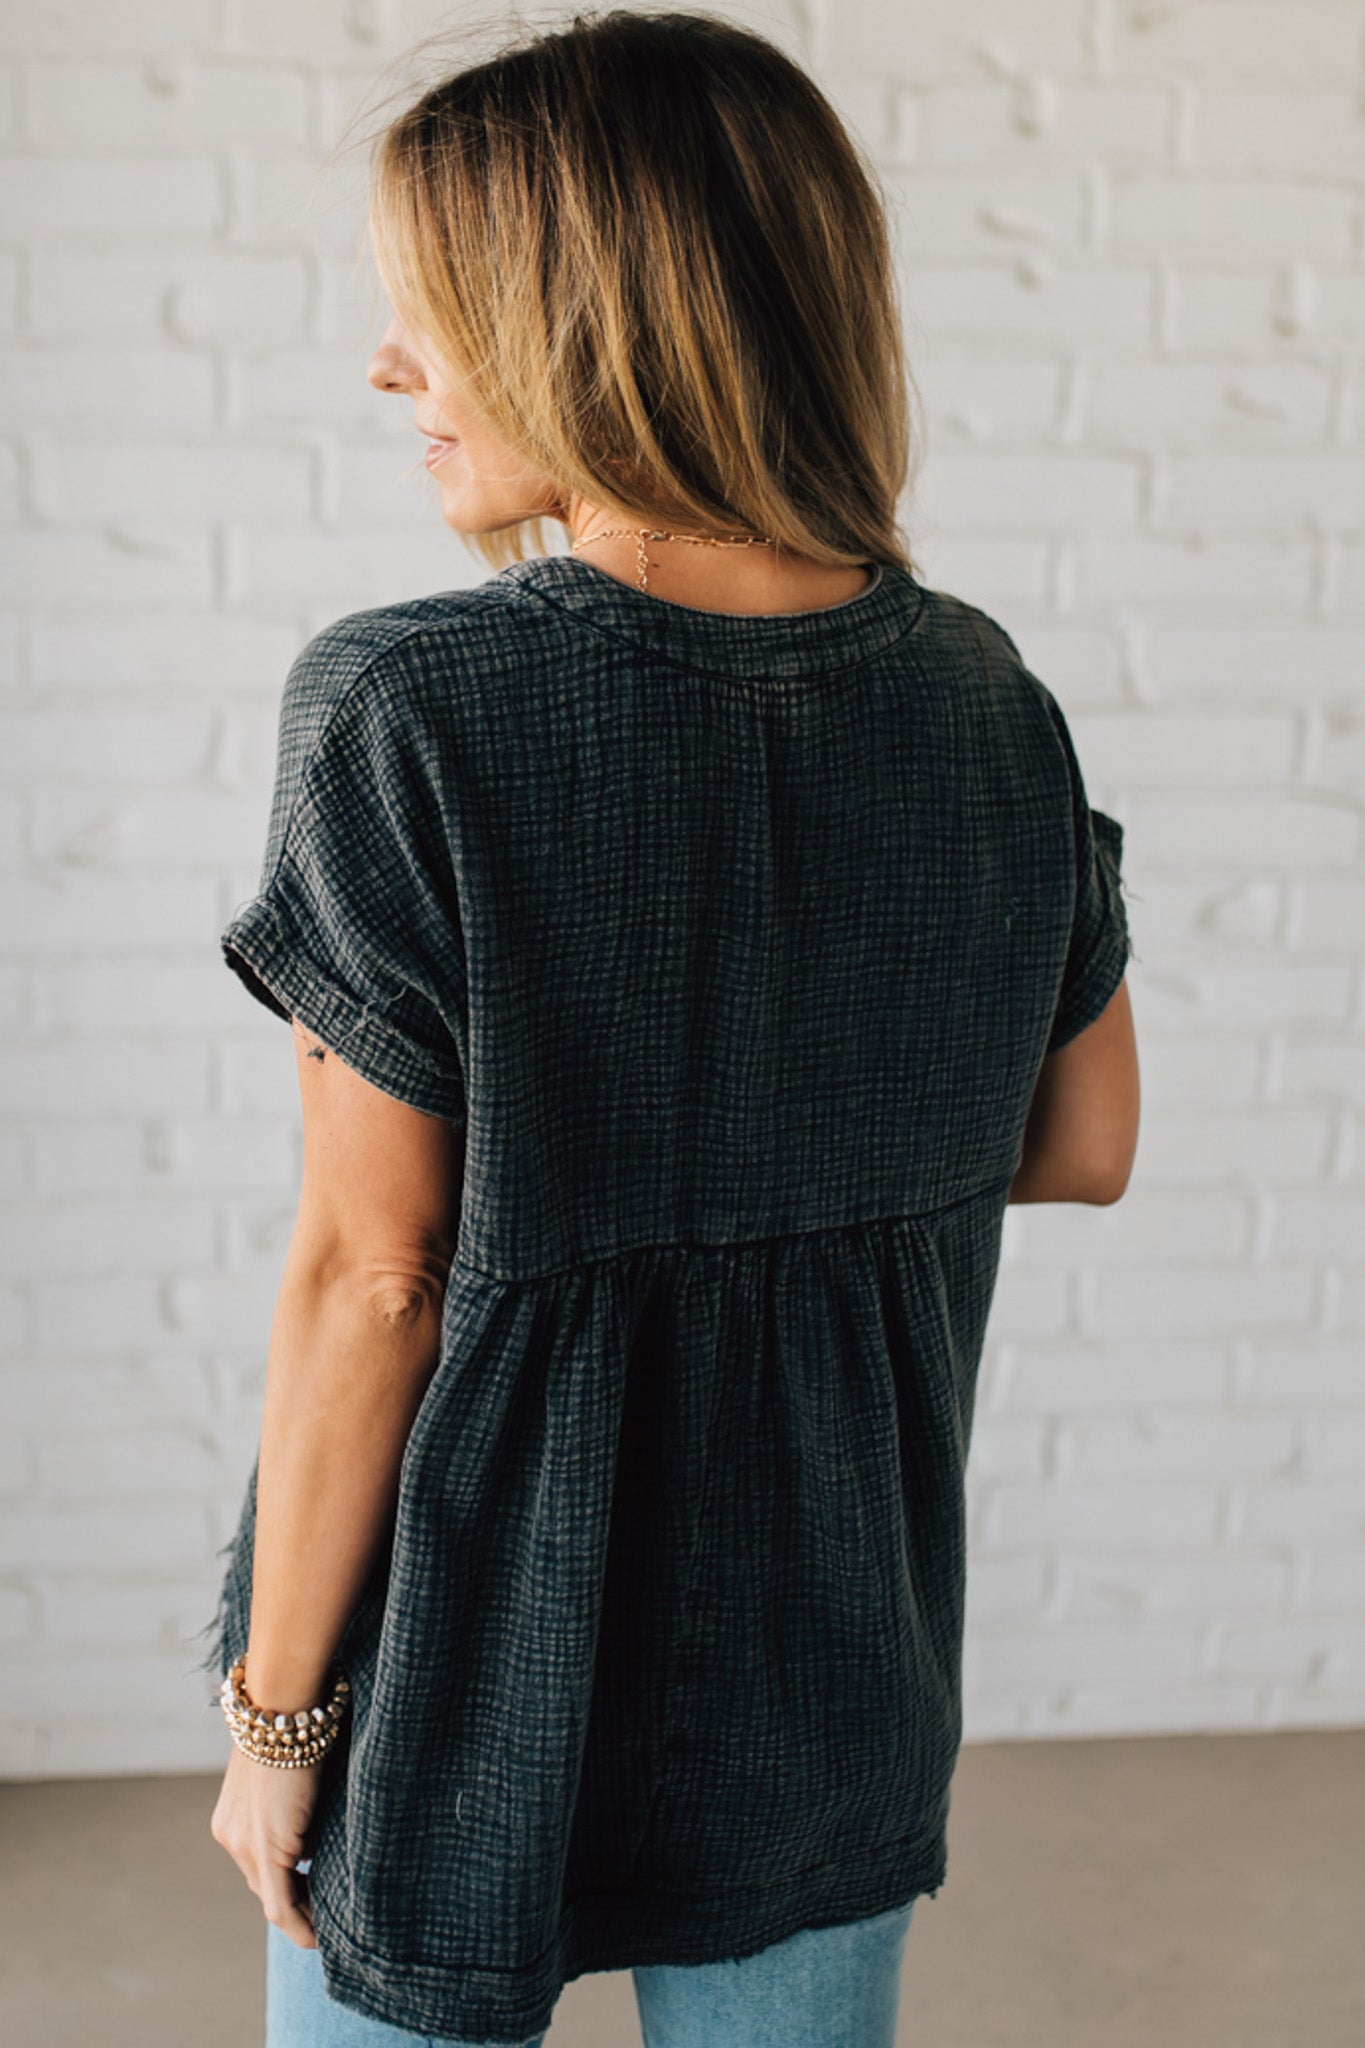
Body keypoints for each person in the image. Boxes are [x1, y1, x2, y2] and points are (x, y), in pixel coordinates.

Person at [198, 10, 1141, 2047]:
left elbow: (376, 1276)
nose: (389, 366)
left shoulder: (408, 708)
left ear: (582, 323)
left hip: (461, 1655)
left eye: (429, 314)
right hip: (829, 1648)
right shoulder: (988, 700)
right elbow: (1079, 1140)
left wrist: (276, 1715)